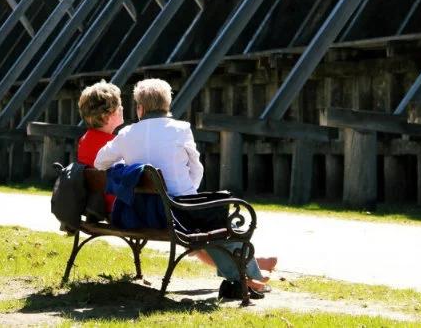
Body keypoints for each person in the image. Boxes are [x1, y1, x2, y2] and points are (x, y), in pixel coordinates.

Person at [92, 78, 276, 298]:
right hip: (177, 214)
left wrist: (126, 167)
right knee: (219, 216)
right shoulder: (181, 129)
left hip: (142, 214)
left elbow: (98, 162)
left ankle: (245, 277)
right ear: (167, 105)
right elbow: (197, 168)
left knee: (211, 218)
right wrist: (189, 194)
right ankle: (245, 278)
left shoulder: (127, 134)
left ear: (140, 108)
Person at [75, 80, 123, 214]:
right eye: (118, 106)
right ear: (106, 117)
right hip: (118, 207)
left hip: (96, 205)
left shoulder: (84, 140)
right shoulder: (117, 144)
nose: (122, 109)